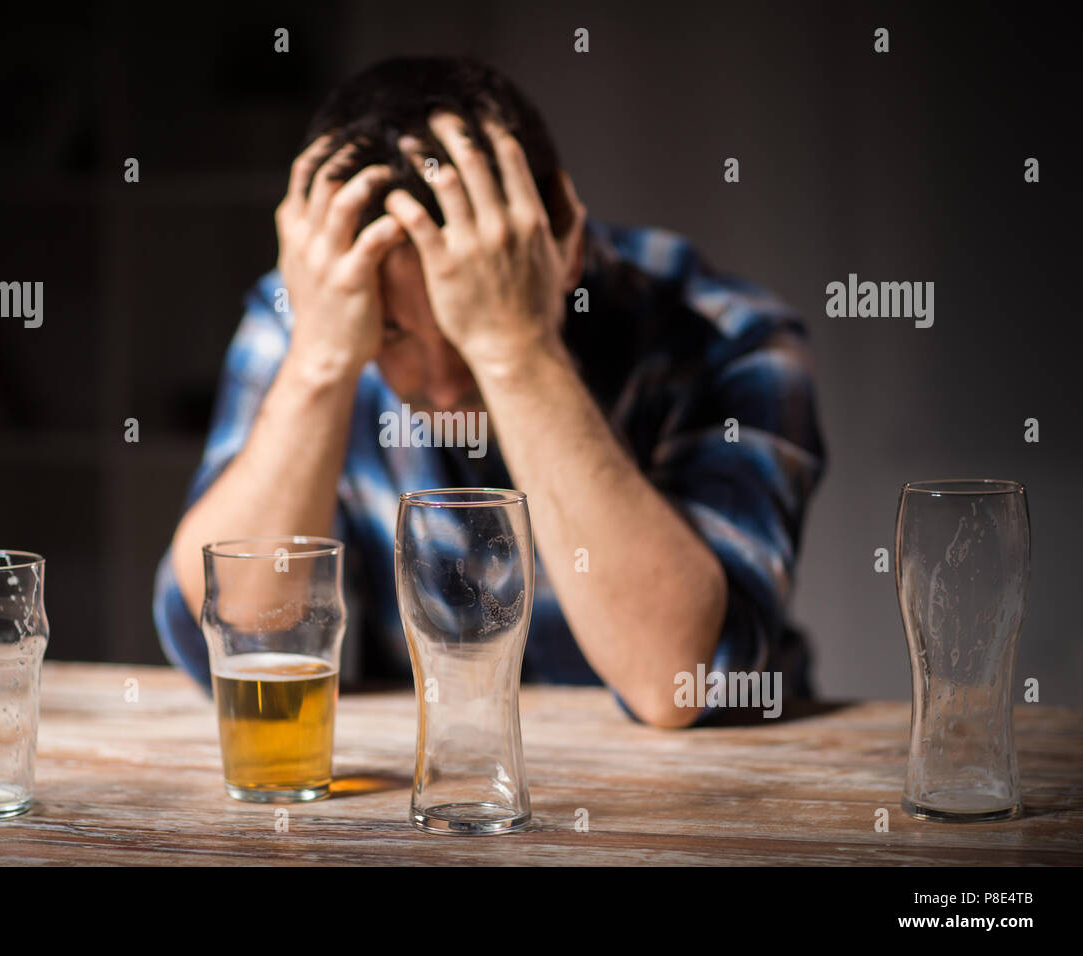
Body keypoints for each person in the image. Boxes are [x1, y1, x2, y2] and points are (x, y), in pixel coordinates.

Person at [153, 56, 826, 727]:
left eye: (463, 328)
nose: (444, 391)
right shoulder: (312, 315)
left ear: (563, 234)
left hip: (706, 795)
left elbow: (680, 682)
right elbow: (231, 639)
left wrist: (517, 349)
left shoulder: (733, 337)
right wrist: (322, 361)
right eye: (392, 335)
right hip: (439, 786)